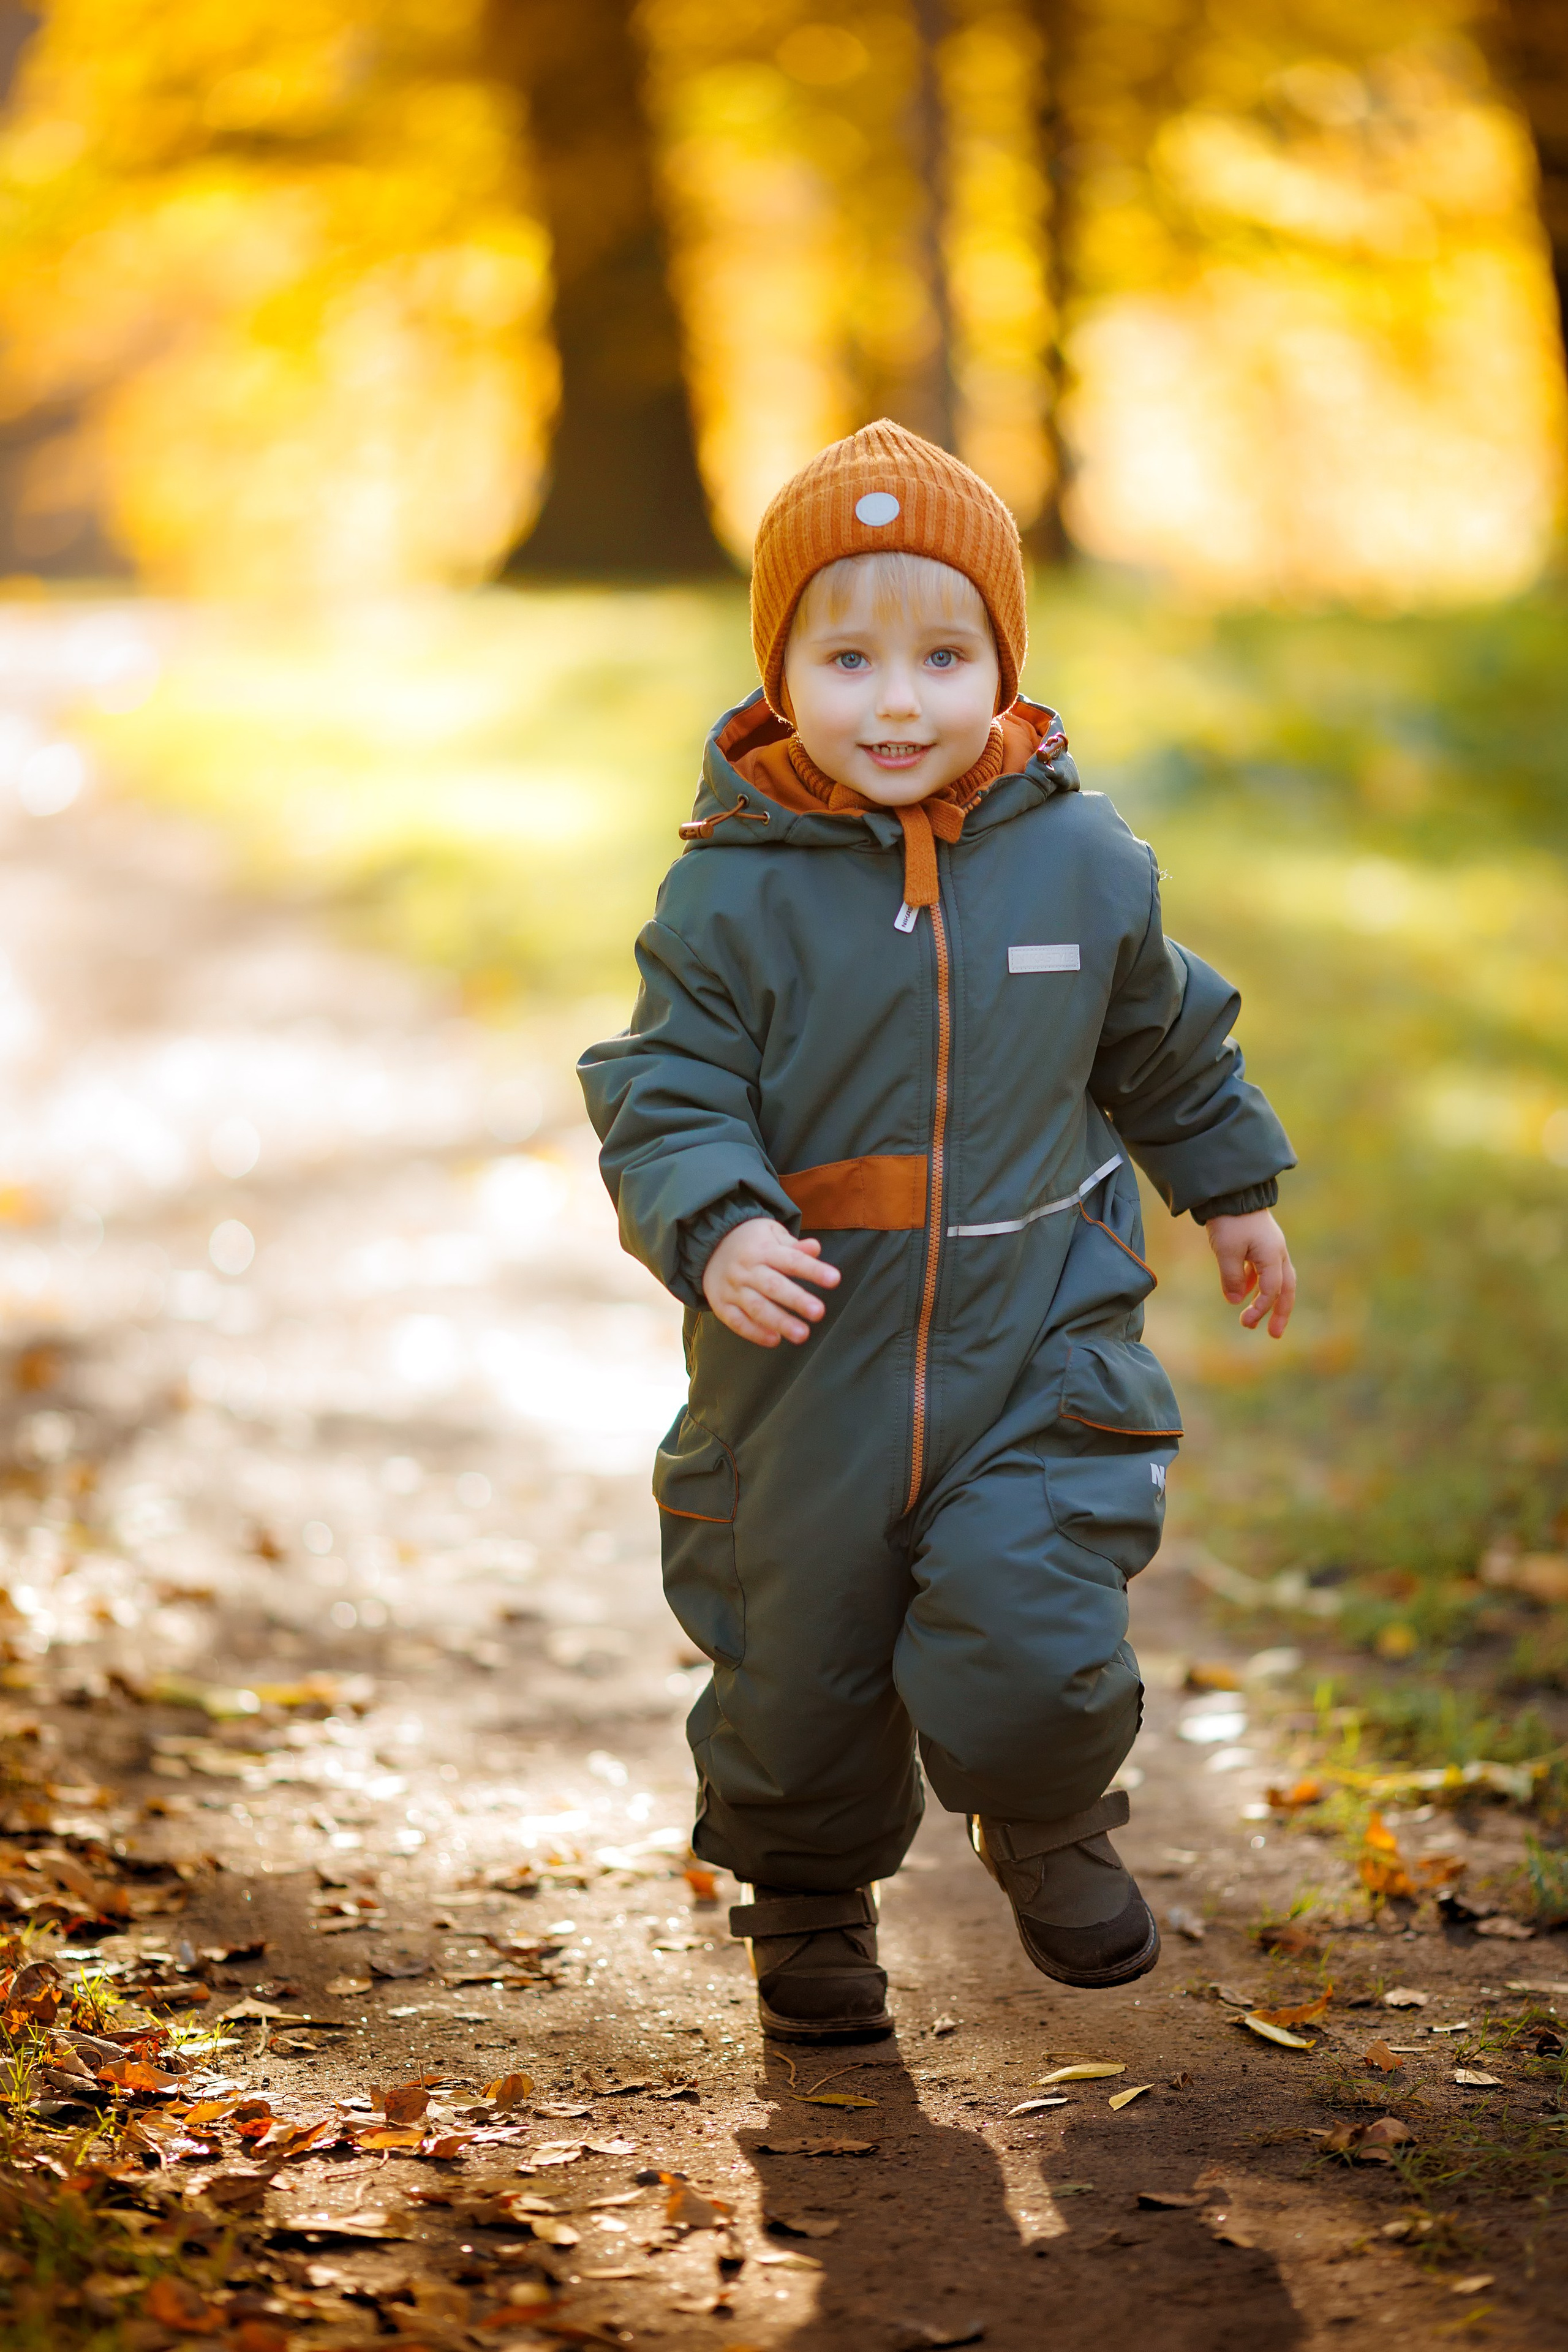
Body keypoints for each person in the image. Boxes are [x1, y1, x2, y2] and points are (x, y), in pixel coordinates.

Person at [578, 421, 1296, 2042]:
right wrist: (717, 1223)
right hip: (807, 1365)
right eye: (847, 658)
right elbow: (667, 1089)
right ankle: (812, 1903)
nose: (895, 702)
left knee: (1033, 1615)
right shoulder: (729, 899)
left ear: (1003, 665)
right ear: (779, 675)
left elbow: (1162, 1043)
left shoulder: (1085, 863)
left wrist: (1233, 1191)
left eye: (941, 654)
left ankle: (1045, 1821)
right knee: (795, 1660)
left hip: (1036, 1327)